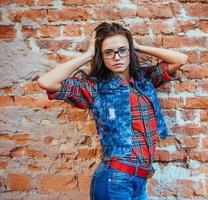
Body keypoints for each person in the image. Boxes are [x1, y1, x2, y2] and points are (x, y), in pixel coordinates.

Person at [37, 22, 188, 200]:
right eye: (109, 52)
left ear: (130, 51)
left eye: (123, 50)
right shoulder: (95, 87)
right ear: (101, 56)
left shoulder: (144, 79)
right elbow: (46, 82)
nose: (117, 57)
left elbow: (180, 59)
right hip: (114, 181)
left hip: (140, 181)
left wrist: (137, 46)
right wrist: (88, 55)